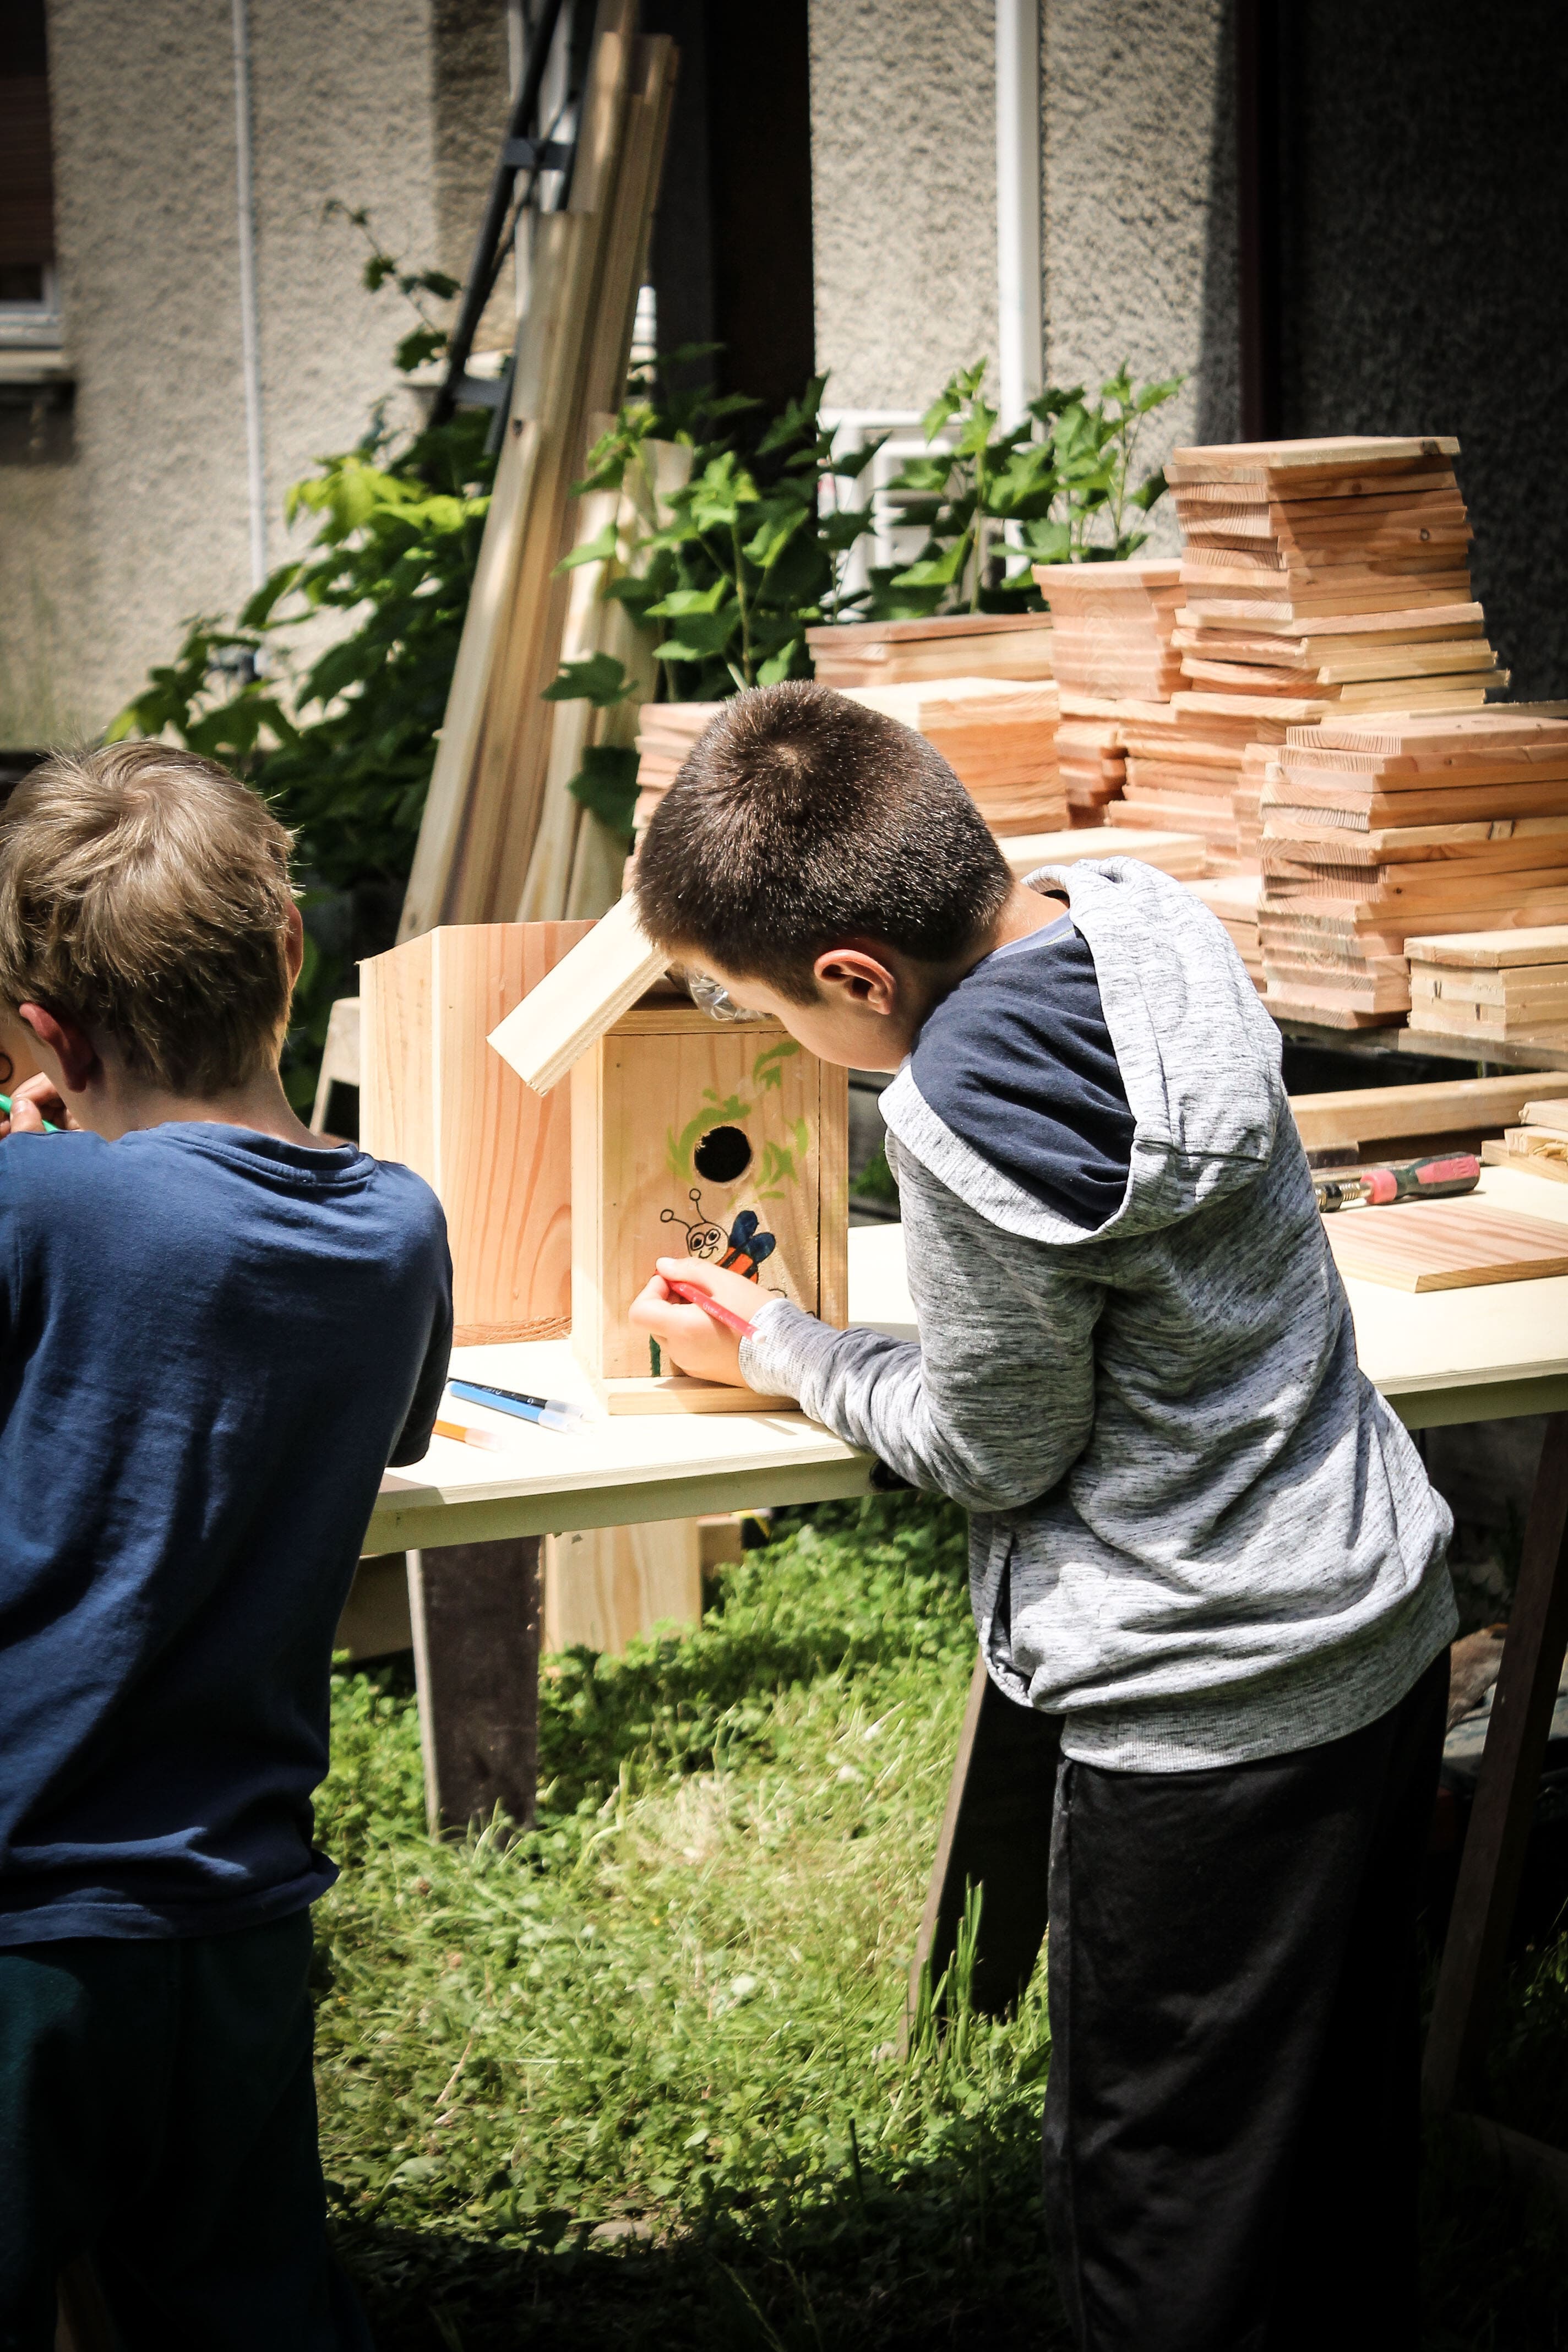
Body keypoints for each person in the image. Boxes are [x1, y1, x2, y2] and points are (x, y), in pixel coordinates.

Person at [627, 681, 1455, 2352]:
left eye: (769, 1009)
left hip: (1201, 1712)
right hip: (1378, 1616)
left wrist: (781, 1346)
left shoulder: (957, 1120)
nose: (785, 1042)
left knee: (1167, 2204)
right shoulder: (1150, 915)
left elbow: (993, 1446)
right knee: (1333, 2151)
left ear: (857, 976)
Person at [0, 743, 451, 2350]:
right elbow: (375, 1422)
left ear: (49, 1031)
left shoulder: (36, 1207)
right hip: (237, 1907)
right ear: (287, 953)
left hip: (27, 1910)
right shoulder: (399, 1228)